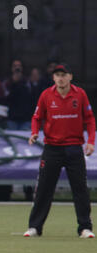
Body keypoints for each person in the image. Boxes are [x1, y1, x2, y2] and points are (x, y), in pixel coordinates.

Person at [24, 63, 96, 238]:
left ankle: (85, 228)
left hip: (74, 148)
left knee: (80, 189)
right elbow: (36, 117)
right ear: (53, 78)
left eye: (64, 75)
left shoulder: (80, 95)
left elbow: (90, 119)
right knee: (44, 189)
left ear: (70, 77)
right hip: (52, 148)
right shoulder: (46, 95)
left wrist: (91, 142)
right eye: (57, 75)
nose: (61, 78)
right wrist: (34, 133)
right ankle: (35, 227)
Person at [4, 59, 32, 130]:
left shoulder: (27, 82)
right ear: (11, 68)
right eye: (15, 66)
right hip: (12, 118)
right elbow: (6, 98)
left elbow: (29, 97)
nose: (17, 68)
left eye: (19, 66)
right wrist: (14, 83)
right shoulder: (7, 82)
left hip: (25, 119)